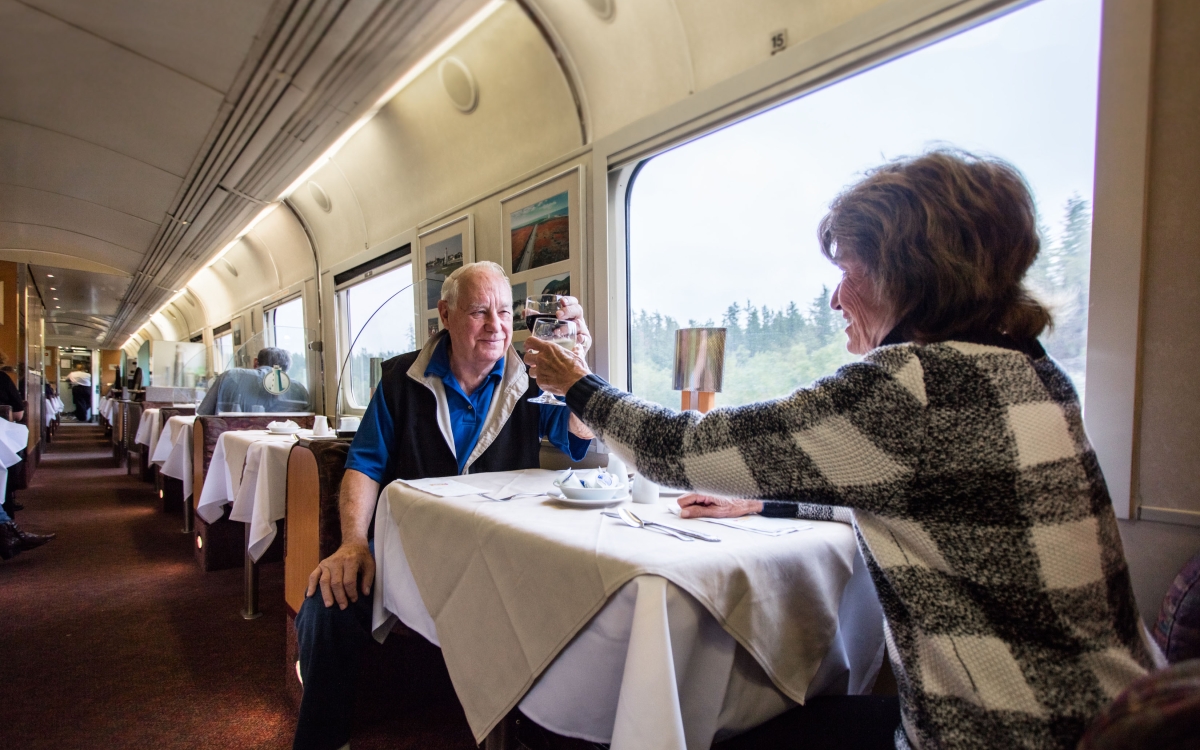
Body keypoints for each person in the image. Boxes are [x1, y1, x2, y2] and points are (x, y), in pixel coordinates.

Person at [524, 150, 1161, 750]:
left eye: (846, 272)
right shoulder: (1029, 371)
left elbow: (674, 448)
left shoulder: (910, 388)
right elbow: (941, 505)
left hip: (997, 729)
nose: (833, 298)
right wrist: (765, 505)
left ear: (907, 273)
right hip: (1114, 716)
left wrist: (574, 383)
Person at [293, 261, 595, 750]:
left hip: (497, 560)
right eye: (479, 312)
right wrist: (352, 543)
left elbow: (581, 432)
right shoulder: (399, 379)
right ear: (446, 315)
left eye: (503, 311)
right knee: (326, 605)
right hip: (408, 555)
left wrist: (579, 363)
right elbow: (364, 465)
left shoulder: (532, 380)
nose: (496, 326)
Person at [196, 347, 311, 415]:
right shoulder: (298, 388)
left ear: (256, 362)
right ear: (286, 370)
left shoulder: (231, 376)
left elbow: (204, 413)